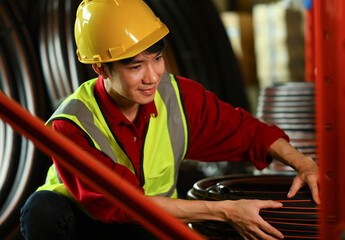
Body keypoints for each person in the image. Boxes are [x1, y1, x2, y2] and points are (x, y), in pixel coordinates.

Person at [20, 0, 320, 239]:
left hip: (149, 223)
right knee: (43, 210)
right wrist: (226, 211)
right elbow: (121, 202)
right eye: (136, 66)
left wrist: (304, 163)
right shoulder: (71, 123)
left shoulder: (177, 96)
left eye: (158, 58)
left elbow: (248, 131)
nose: (152, 77)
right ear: (101, 69)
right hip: (85, 222)